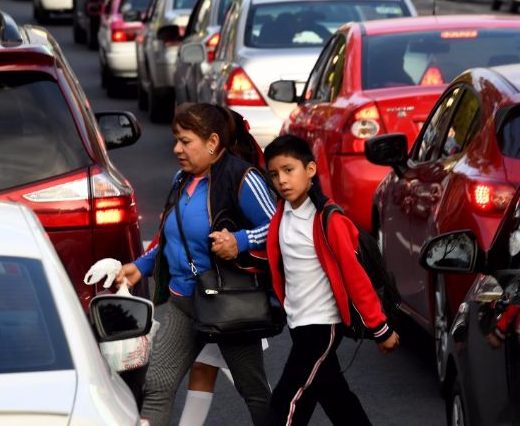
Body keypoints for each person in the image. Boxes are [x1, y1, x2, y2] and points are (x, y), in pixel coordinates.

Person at [116, 103, 275, 426]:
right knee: (157, 387)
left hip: (226, 303)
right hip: (182, 302)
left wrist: (240, 241)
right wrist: (141, 266)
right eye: (176, 140)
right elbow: (171, 236)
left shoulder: (242, 177)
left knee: (254, 391)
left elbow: (278, 226)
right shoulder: (180, 179)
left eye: (185, 141)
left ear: (213, 142)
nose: (177, 148)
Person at [262, 134, 400, 426]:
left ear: (310, 170)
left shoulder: (327, 219)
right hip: (299, 324)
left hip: (321, 326)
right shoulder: (281, 214)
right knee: (338, 401)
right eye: (274, 174)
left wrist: (380, 329)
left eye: (289, 170)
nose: (282, 180)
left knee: (286, 403)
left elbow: (355, 277)